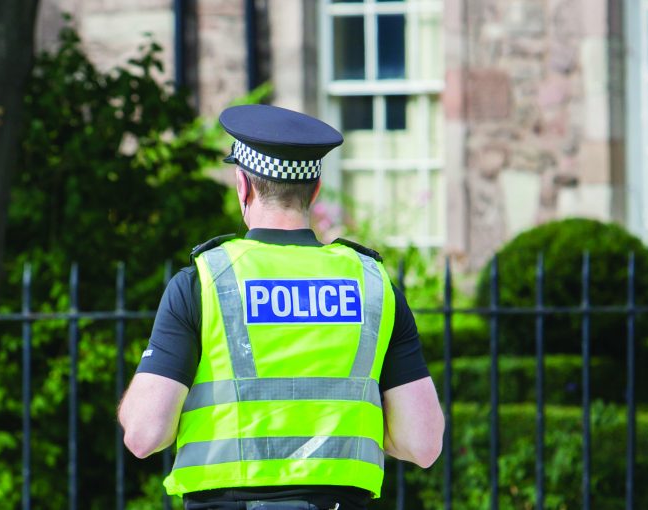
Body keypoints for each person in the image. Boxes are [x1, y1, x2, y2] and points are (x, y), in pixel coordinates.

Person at [118, 104, 444, 510]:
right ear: (316, 189)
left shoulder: (206, 281)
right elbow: (423, 443)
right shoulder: (374, 286)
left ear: (243, 185)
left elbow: (144, 434)